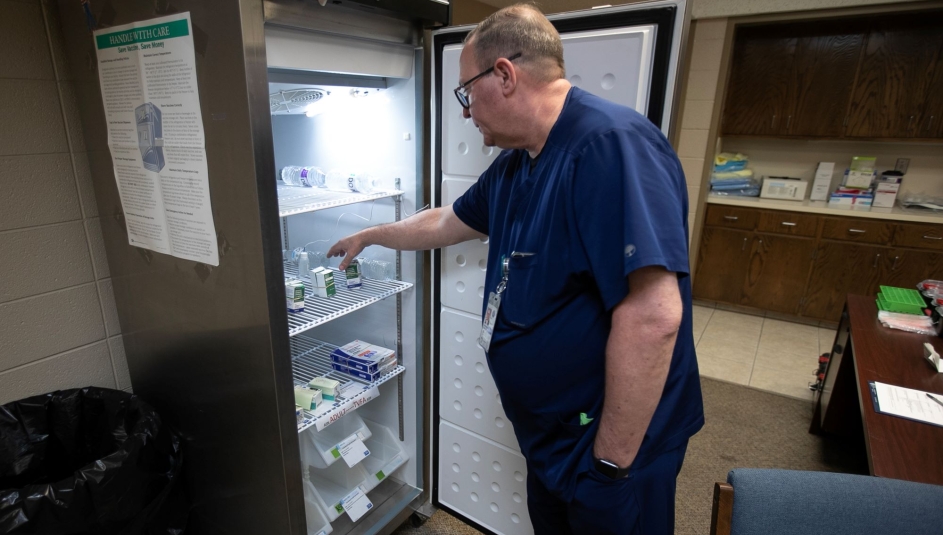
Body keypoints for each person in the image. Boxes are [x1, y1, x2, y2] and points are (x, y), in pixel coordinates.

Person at [328, 4, 703, 534]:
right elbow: (443, 223)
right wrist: (370, 235)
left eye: (466, 92)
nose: (464, 111)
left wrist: (609, 465)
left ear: (503, 75)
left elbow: (654, 316)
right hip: (554, 437)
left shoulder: (609, 146)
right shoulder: (518, 164)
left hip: (612, 448)